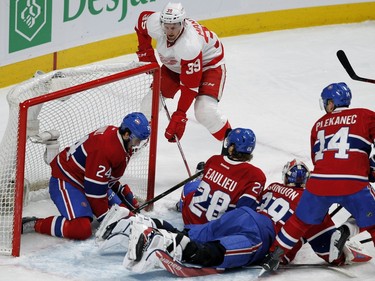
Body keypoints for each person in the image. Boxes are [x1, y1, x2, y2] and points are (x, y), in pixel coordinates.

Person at [97, 159, 369, 274]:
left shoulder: (272, 187)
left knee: (189, 233)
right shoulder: (312, 203)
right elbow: (329, 250)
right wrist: (348, 234)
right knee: (206, 252)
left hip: (240, 214)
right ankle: (163, 245)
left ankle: (130, 221)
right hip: (261, 235)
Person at [261, 82, 375, 273]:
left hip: (319, 183)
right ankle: (348, 229)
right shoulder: (365, 115)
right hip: (353, 183)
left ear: (331, 103)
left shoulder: (318, 125)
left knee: (298, 222)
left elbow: (319, 160)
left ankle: (274, 255)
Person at [22, 112, 151, 240]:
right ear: (126, 134)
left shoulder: (119, 141)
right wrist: (106, 220)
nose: (138, 145)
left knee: (126, 215)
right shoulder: (106, 148)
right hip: (67, 180)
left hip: (87, 180)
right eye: (137, 140)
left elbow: (104, 177)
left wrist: (121, 192)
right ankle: (34, 224)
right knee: (81, 229)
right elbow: (94, 193)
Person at [135, 2, 231, 142]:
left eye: (174, 27)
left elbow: (189, 86)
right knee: (149, 104)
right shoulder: (155, 23)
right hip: (175, 64)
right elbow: (141, 23)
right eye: (166, 27)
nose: (170, 31)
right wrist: (146, 53)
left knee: (204, 111)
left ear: (183, 23)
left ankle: (232, 146)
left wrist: (180, 114)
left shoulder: (189, 46)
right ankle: (138, 143)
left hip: (209, 65)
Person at [179, 127, 266, 226]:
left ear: (232, 147)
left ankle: (180, 206)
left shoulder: (214, 160)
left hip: (190, 220)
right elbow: (244, 212)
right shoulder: (256, 175)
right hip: (214, 230)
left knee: (191, 186)